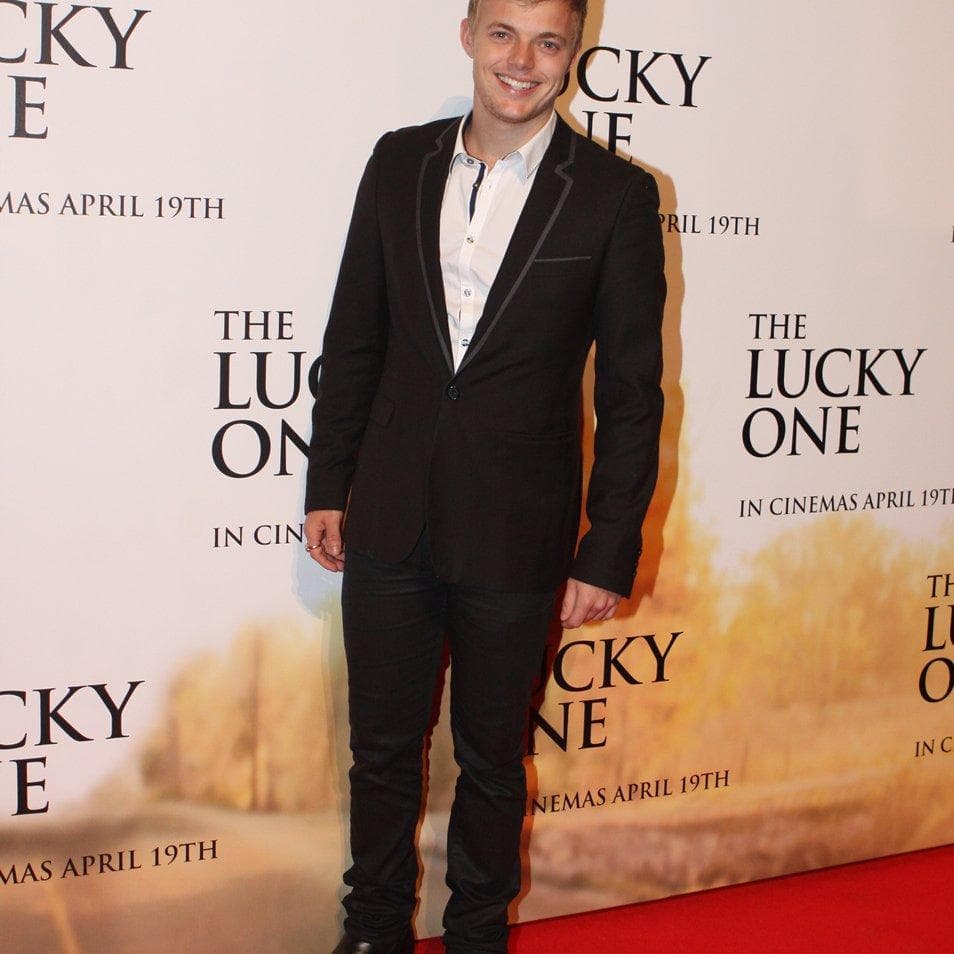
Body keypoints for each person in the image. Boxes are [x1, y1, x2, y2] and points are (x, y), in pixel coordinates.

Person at [305, 1, 665, 950]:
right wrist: (328, 483)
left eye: (549, 42)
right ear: (468, 35)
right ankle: (374, 928)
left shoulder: (616, 195)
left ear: (574, 53)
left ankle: (476, 934)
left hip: (520, 529)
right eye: (504, 33)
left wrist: (607, 547)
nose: (523, 60)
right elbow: (355, 335)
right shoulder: (399, 161)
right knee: (382, 752)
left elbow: (631, 395)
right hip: (389, 513)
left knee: (494, 762)